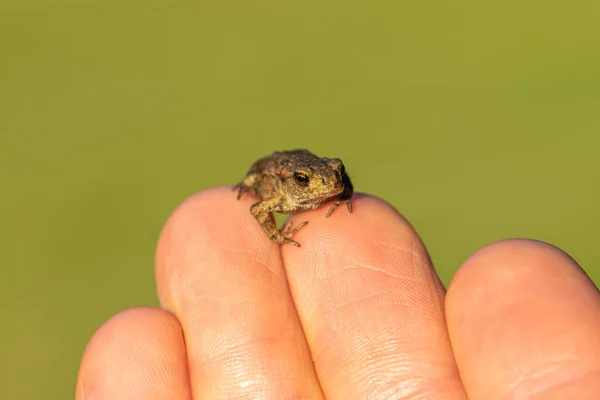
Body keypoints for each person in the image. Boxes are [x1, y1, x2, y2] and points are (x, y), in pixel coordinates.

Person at [76, 188, 600, 399]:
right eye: (316, 184)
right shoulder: (278, 188)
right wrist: (278, 232)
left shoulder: (328, 183)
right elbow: (261, 207)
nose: (329, 187)